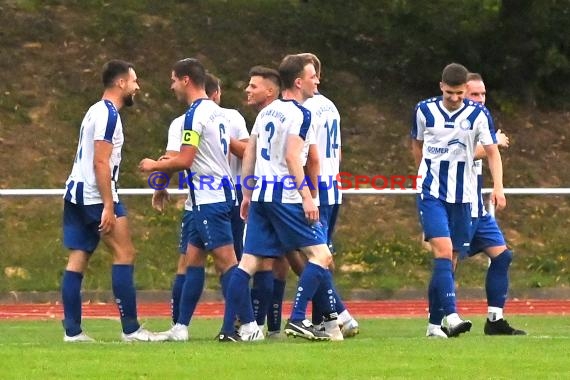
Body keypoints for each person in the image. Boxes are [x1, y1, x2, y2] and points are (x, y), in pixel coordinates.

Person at [226, 54, 339, 342]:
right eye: (313, 76)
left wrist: (247, 193)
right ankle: (298, 318)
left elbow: (250, 152)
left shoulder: (267, 112)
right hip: (284, 195)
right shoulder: (302, 114)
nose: (317, 80)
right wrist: (307, 196)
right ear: (299, 81)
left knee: (248, 263)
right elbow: (293, 157)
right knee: (321, 255)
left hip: (261, 194)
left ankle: (239, 328)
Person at [61, 59, 167, 342]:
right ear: (121, 83)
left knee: (78, 257)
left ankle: (72, 332)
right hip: (96, 195)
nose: (137, 87)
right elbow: (100, 161)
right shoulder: (108, 114)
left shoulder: (94, 110)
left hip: (76, 191)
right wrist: (108, 205)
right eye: (134, 81)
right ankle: (131, 330)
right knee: (125, 253)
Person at [139, 58, 240, 342]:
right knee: (192, 260)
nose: (171, 86)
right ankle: (180, 326)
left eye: (173, 79)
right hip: (206, 197)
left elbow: (181, 158)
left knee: (227, 263)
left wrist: (153, 168)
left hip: (210, 199)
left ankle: (246, 325)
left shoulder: (191, 118)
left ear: (185, 80)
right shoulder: (223, 115)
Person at [410, 63, 506, 338]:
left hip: (463, 197)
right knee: (442, 250)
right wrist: (422, 174)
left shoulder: (478, 114)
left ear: (465, 89)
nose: (454, 98)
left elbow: (492, 152)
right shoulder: (424, 110)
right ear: (441, 86)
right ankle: (451, 315)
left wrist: (498, 187)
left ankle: (432, 324)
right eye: (450, 92)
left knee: (450, 260)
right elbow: (416, 143)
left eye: (460, 93)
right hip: (432, 193)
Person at [446, 72, 526, 335]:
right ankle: (444, 316)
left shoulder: (480, 119)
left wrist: (498, 187)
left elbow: (485, 153)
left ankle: (495, 320)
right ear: (461, 93)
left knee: (502, 256)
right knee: (450, 260)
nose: (480, 99)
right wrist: (496, 143)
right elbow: (457, 153)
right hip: (458, 203)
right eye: (474, 94)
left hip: (477, 206)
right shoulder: (454, 120)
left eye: (483, 94)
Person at [298, 52, 359, 338]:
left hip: (316, 186)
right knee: (321, 253)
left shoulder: (305, 107)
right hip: (334, 185)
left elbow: (308, 153)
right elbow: (338, 150)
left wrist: (306, 188)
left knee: (313, 254)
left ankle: (340, 315)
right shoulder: (330, 106)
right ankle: (326, 318)